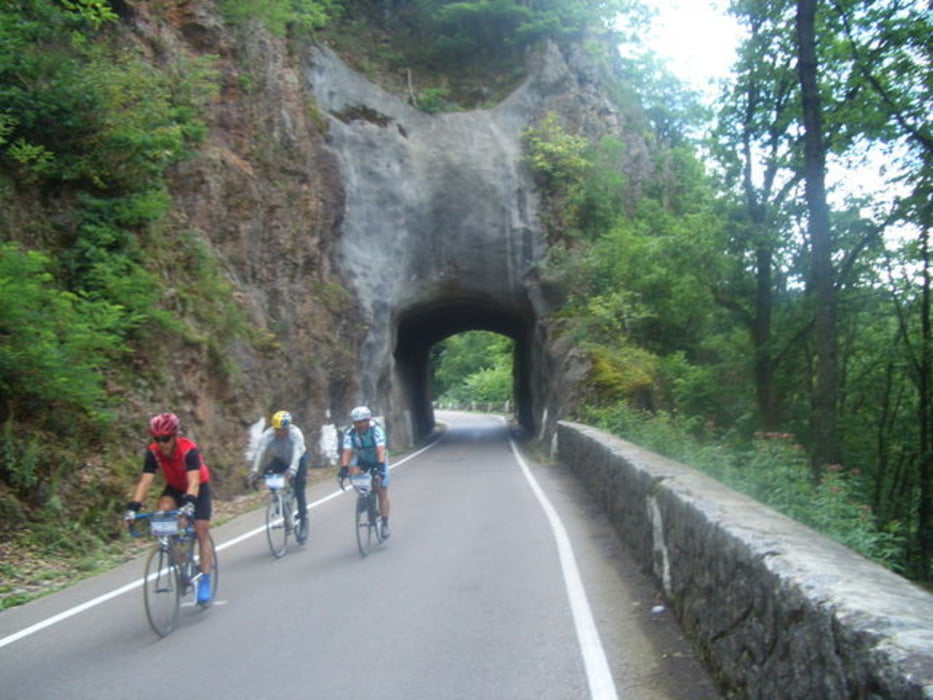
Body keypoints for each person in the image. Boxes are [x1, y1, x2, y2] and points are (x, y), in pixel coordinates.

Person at [125, 412, 215, 605]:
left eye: (165, 439)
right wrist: (133, 508)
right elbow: (146, 481)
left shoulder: (189, 450)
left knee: (201, 529)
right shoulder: (153, 451)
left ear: (174, 436)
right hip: (175, 486)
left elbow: (194, 481)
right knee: (163, 512)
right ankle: (178, 553)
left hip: (198, 486)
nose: (161, 443)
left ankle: (205, 579)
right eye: (157, 439)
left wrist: (189, 504)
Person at [249, 410, 310, 544]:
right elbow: (260, 452)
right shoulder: (268, 435)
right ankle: (278, 497)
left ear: (289, 427)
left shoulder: (296, 435)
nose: (280, 433)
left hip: (298, 460)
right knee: (269, 473)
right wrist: (254, 471)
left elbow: (297, 453)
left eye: (283, 430)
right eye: (277, 430)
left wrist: (293, 470)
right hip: (280, 460)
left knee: (299, 490)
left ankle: (304, 521)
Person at [339, 406, 391, 539]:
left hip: (378, 459)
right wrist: (343, 468)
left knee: (381, 490)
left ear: (368, 420)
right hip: (362, 458)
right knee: (352, 471)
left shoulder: (376, 430)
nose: (359, 425)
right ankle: (363, 495)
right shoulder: (350, 433)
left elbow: (380, 450)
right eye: (356, 422)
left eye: (362, 422)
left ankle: (384, 523)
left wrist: (380, 469)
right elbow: (347, 452)